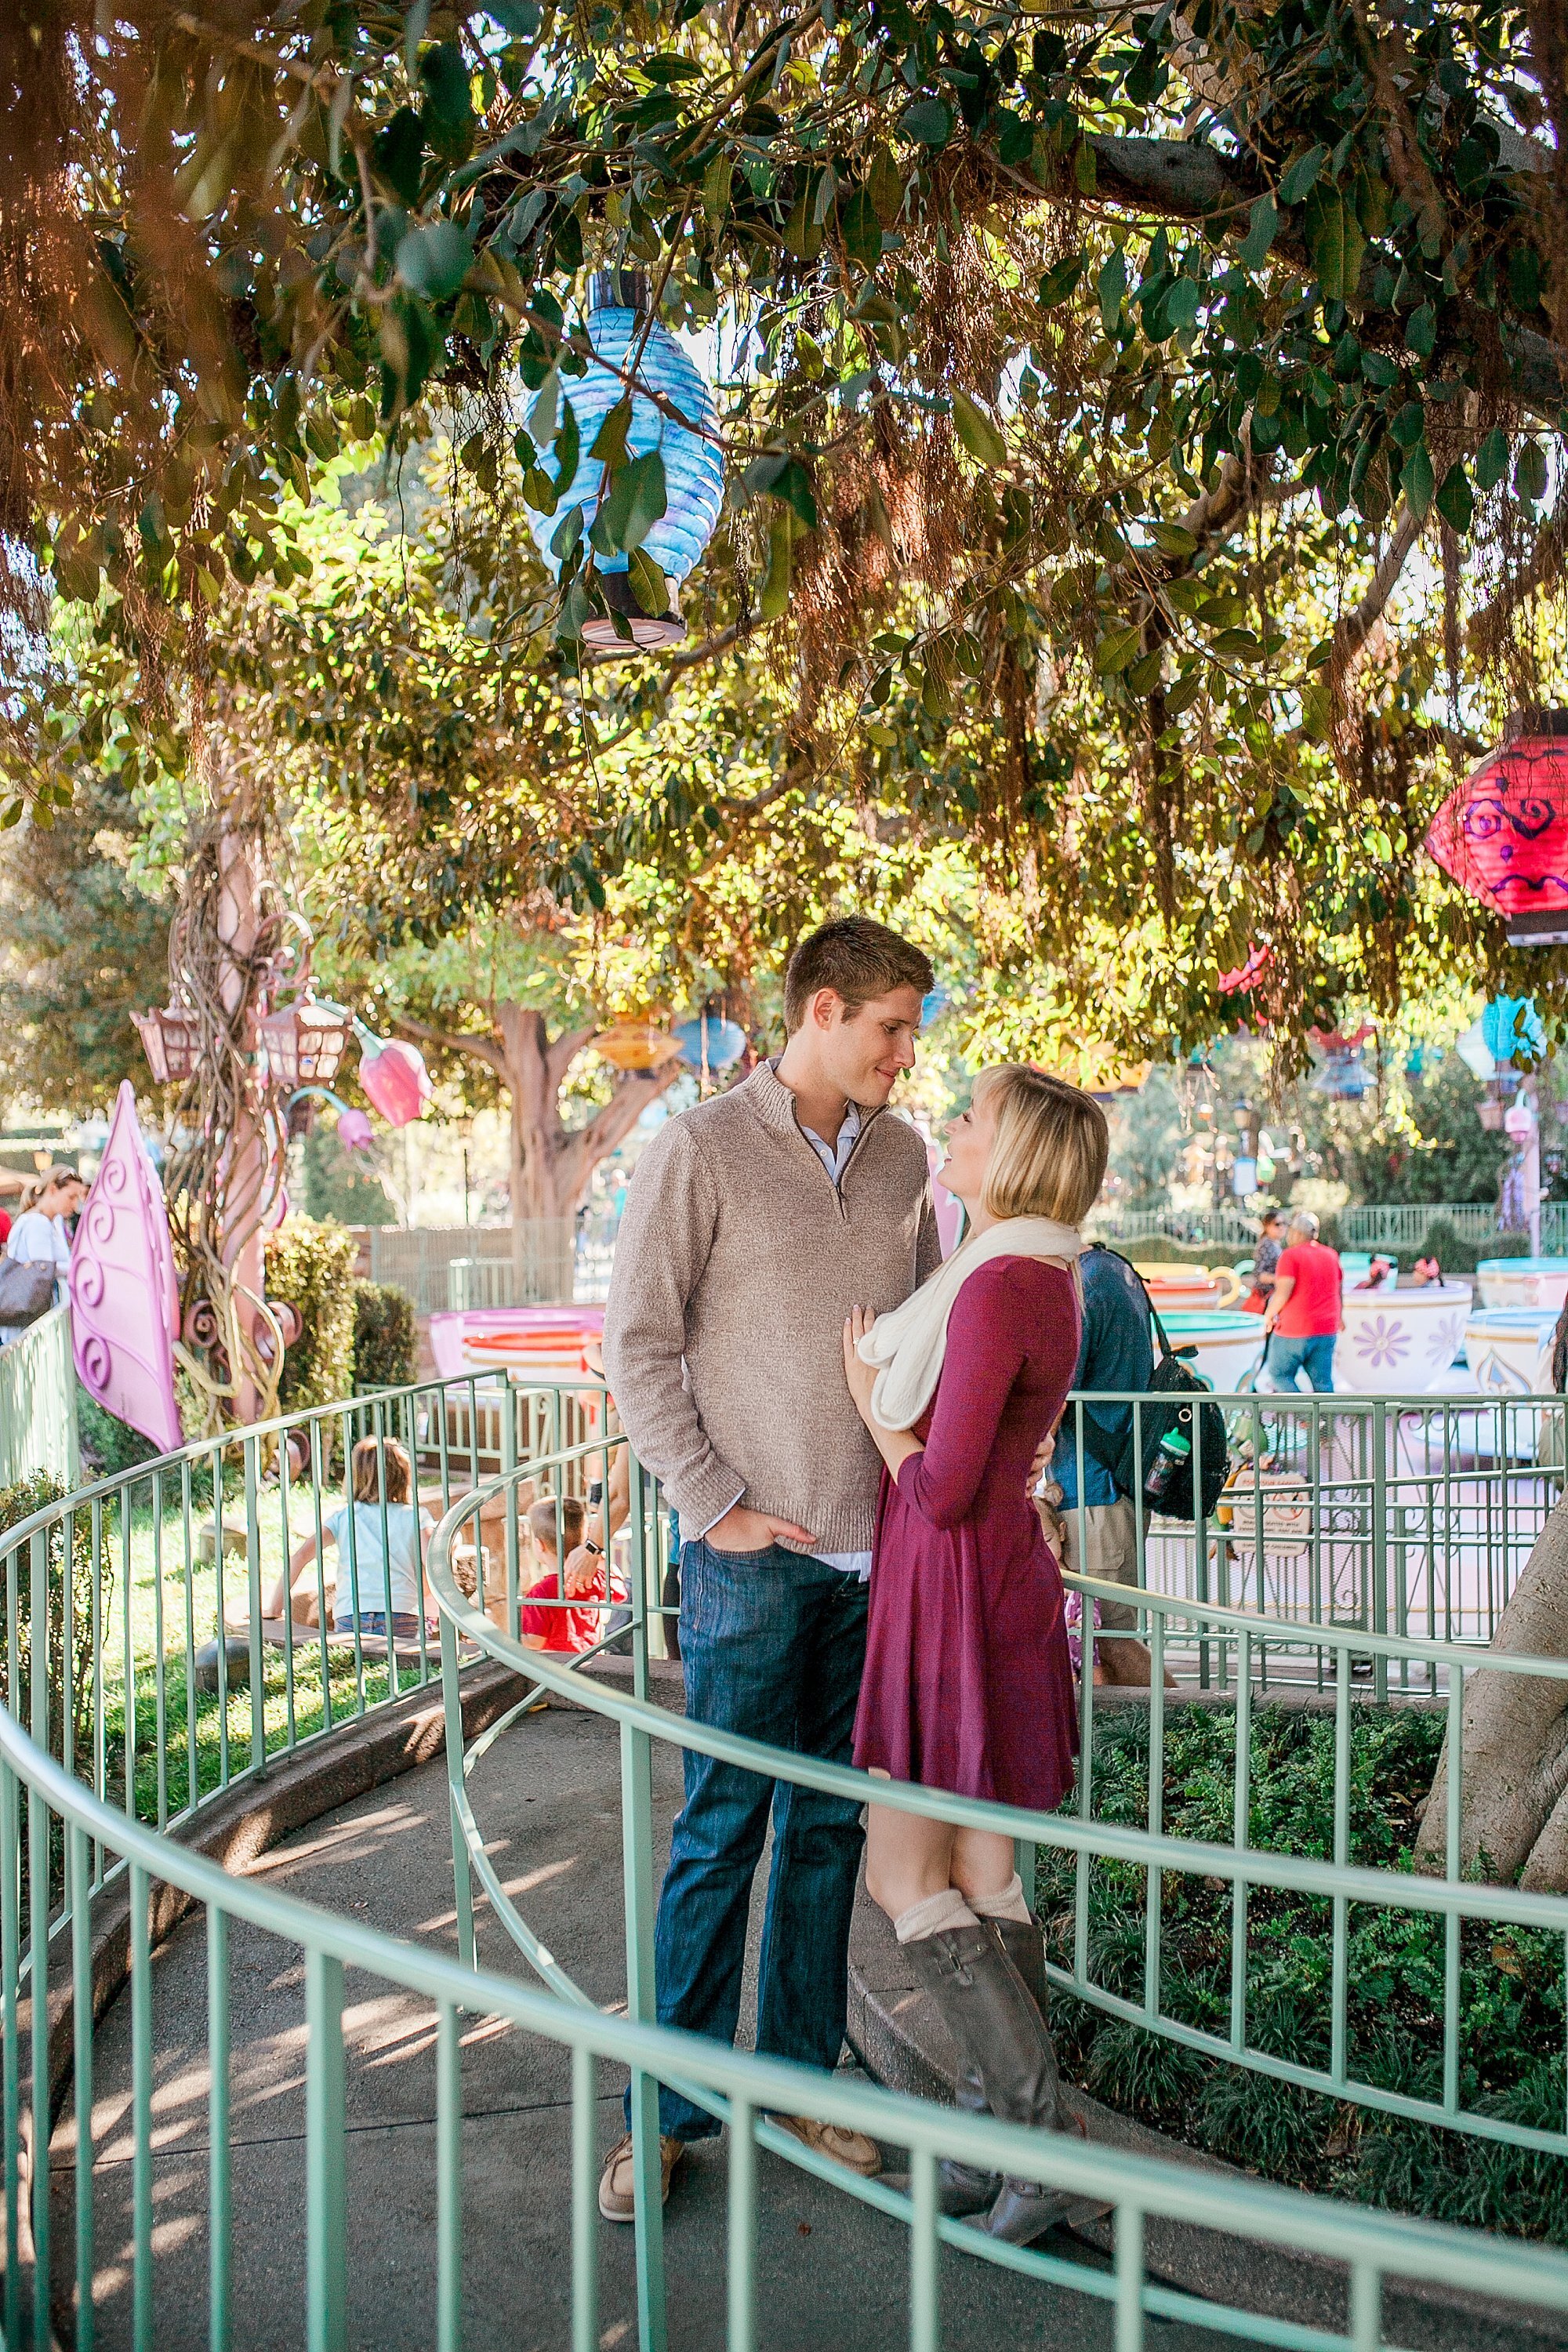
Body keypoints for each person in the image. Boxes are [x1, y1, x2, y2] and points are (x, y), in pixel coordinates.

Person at [600, 915, 938, 2220]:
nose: (906, 1054)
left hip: (875, 1564)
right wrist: (716, 1502)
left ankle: (804, 2084)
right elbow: (636, 1343)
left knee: (827, 1837)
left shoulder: (907, 1158)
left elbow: (909, 1345)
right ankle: (665, 2117)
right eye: (890, 1027)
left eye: (911, 1030)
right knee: (718, 1840)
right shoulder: (698, 1148)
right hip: (748, 1560)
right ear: (820, 1014)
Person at [843, 1065, 1110, 2246]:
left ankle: (1037, 2148)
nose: (953, 1129)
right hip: (990, 1579)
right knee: (985, 1877)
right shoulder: (1036, 1272)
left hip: (957, 1579)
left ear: (1021, 1158)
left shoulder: (1004, 1283)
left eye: (974, 1120)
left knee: (904, 1878)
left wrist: (873, 1409)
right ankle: (995, 2131)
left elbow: (943, 1487)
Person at [1038, 1241, 1163, 1687]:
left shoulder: (1083, 1283)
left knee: (1110, 1638)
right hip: (1114, 1482)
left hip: (1094, 1491)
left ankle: (1186, 1730)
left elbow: (1053, 1391)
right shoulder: (1114, 1268)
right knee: (1105, 1639)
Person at [256, 1437, 434, 1645]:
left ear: (355, 1477)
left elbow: (300, 1556)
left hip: (351, 1615)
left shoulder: (344, 1517)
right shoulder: (416, 1517)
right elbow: (433, 1564)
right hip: (401, 1613)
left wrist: (274, 1608)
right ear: (403, 1476)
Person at [519, 1494, 626, 1653]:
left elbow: (534, 1642)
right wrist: (600, 1558)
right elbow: (620, 1593)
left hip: (557, 1668)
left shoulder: (539, 1594)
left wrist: (507, 1637)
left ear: (539, 1545)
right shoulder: (592, 1578)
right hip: (589, 1659)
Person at [1, 1165, 85, 1348]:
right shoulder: (38, 1223)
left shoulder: (48, 1221)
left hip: (29, 1320)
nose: (74, 1204)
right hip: (29, 1324)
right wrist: (81, 1267)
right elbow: (45, 1268)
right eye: (71, 1197)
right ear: (53, 1190)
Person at [1260, 1209, 1342, 1392]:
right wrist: (1340, 1318)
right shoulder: (1331, 1255)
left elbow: (1283, 1293)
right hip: (1327, 1328)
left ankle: (1304, 1417)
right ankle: (1325, 1420)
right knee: (1323, 1383)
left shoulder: (1290, 1256)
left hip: (1295, 1330)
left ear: (1296, 1233)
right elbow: (1338, 1290)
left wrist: (1268, 1315)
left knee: (1280, 1374)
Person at [1245, 1208, 1286, 1314]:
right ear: (1267, 1226)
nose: (1281, 1227)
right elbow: (1258, 1273)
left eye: (1284, 1223)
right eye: (1277, 1224)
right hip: (1266, 1296)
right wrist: (1278, 1279)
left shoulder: (1275, 1244)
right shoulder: (1267, 1244)